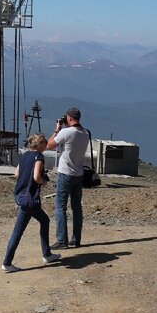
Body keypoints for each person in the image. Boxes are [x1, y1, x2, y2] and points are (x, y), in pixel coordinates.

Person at [1, 133, 61, 273]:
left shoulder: (24, 156)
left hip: (20, 195)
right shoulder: (39, 157)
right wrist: (43, 181)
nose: (46, 146)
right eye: (45, 144)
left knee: (44, 220)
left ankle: (47, 254)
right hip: (29, 199)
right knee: (18, 231)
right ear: (39, 145)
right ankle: (7, 262)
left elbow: (17, 174)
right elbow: (36, 177)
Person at [46, 106, 89, 249]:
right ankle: (76, 239)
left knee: (60, 207)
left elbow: (50, 145)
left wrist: (57, 129)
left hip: (65, 174)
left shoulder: (65, 132)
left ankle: (62, 240)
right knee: (77, 208)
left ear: (69, 118)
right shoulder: (86, 133)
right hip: (79, 174)